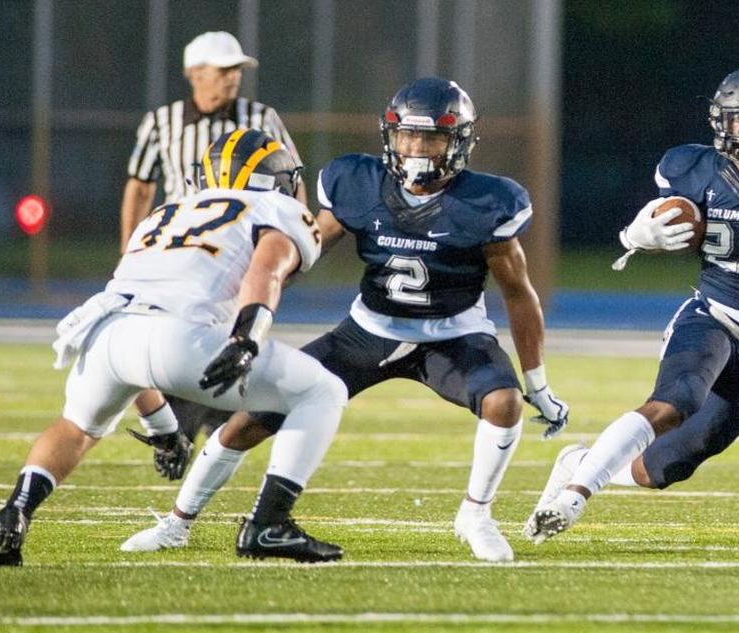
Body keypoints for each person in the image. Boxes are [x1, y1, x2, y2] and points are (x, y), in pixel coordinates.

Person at [119, 77, 569, 563]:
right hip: (367, 331)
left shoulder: (488, 202)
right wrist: (238, 308)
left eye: (431, 137)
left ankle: (475, 515)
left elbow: (518, 295)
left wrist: (537, 381)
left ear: (458, 141)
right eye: (407, 135)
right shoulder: (358, 183)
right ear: (389, 136)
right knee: (250, 420)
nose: (416, 148)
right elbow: (300, 252)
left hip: (453, 335)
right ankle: (176, 522)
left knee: (504, 403)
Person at [523, 64, 739, 542]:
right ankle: (574, 497)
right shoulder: (692, 169)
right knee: (673, 402)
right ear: (723, 122)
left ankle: (579, 463)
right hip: (711, 314)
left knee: (665, 468)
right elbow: (646, 225)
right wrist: (636, 234)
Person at [0, 129, 347, 567]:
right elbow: (267, 269)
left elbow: (139, 351)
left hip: (109, 332)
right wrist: (248, 337)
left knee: (77, 428)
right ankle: (270, 522)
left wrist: (163, 429)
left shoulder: (167, 212)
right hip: (184, 334)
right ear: (278, 180)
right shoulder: (275, 208)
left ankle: (15, 512)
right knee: (323, 391)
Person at [121, 31, 306, 445]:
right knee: (175, 331)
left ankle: (212, 423)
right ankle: (179, 426)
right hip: (179, 252)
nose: (232, 79)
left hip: (241, 248)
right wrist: (130, 250)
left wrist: (291, 238)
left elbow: (293, 180)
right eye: (223, 71)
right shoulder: (162, 121)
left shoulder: (260, 117)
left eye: (236, 71)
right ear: (194, 74)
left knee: (230, 329)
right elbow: (139, 186)